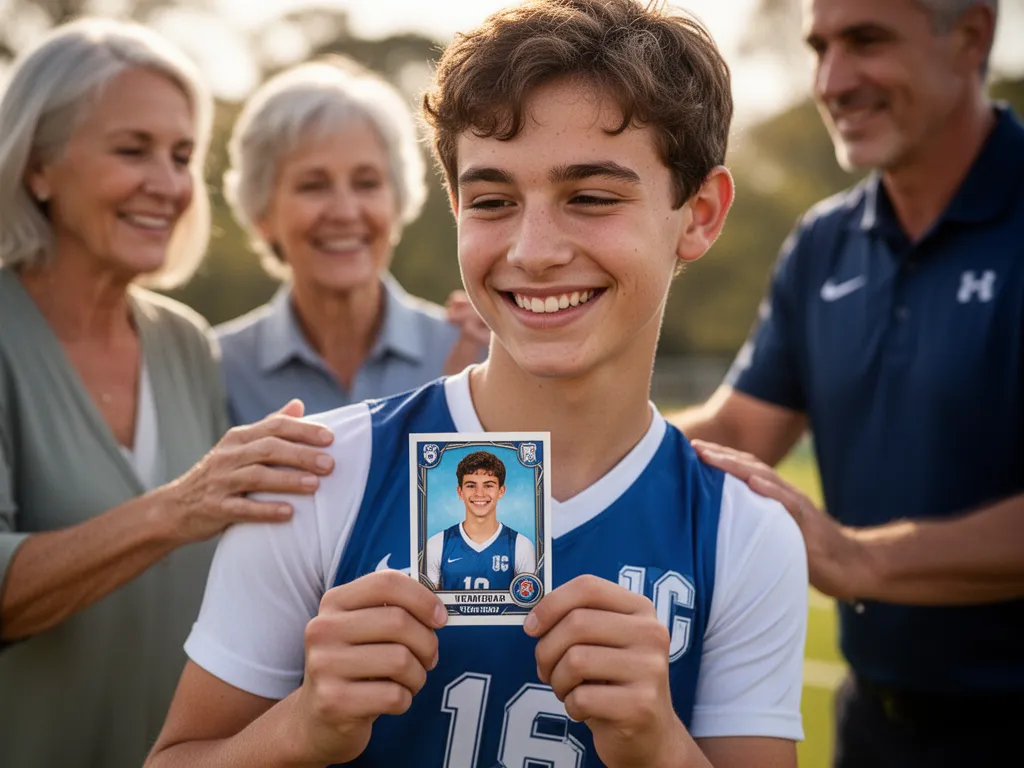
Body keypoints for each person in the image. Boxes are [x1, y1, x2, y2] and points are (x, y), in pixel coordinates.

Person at [146, 1, 809, 767]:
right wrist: (300, 728)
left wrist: (659, 746)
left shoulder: (742, 533)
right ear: (456, 207)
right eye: (493, 201)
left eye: (590, 197)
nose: (532, 251)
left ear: (698, 214)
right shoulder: (321, 474)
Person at [672, 0, 1024, 765]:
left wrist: (858, 558)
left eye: (866, 41)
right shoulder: (824, 244)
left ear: (971, 37)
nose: (832, 79)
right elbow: (738, 433)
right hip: (874, 729)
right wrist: (532, 448)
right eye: (819, 46)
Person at [0, 19, 334, 768]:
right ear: (38, 168)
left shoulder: (183, 340)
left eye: (182, 156)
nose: (169, 183)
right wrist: (179, 508)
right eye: (132, 150)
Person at [216, 58, 490, 426]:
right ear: (262, 212)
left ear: (397, 201)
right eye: (313, 186)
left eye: (366, 183)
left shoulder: (476, 352)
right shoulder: (215, 367)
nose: (345, 212)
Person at [425, 450, 536, 591]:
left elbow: (527, 602)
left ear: (501, 491)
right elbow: (429, 605)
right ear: (460, 492)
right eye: (471, 486)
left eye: (488, 485)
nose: (479, 494)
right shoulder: (437, 544)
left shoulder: (521, 545)